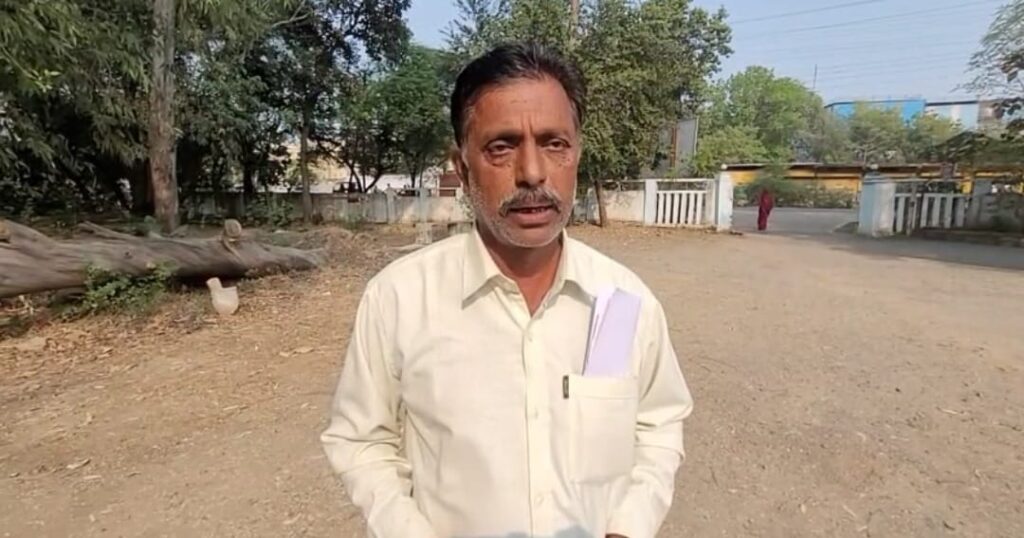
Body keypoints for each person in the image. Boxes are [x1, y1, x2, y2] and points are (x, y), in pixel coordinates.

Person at [321, 42, 693, 538]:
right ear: (462, 165)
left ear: (576, 154)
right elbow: (362, 441)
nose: (532, 173)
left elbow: (657, 425)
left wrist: (628, 526)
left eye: (554, 143)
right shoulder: (402, 299)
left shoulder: (619, 303)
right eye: (502, 146)